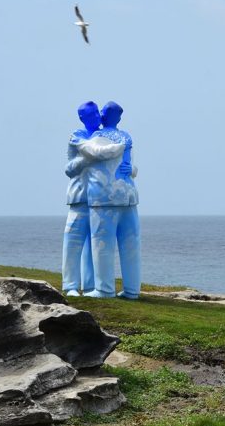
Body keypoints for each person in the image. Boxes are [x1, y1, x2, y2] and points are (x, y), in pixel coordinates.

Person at [71, 101, 141, 299]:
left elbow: (93, 155)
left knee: (103, 243)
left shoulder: (96, 137)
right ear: (119, 118)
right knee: (131, 246)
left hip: (104, 197)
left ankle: (104, 289)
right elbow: (131, 166)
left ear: (103, 115)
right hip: (129, 196)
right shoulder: (127, 136)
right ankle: (132, 290)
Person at [62, 101, 125, 297]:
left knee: (94, 245)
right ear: (82, 118)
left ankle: (90, 285)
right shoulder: (77, 136)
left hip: (100, 199)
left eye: (96, 114)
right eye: (90, 116)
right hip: (80, 197)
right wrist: (91, 158)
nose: (96, 119)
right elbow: (69, 169)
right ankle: (70, 286)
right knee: (73, 242)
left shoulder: (103, 136)